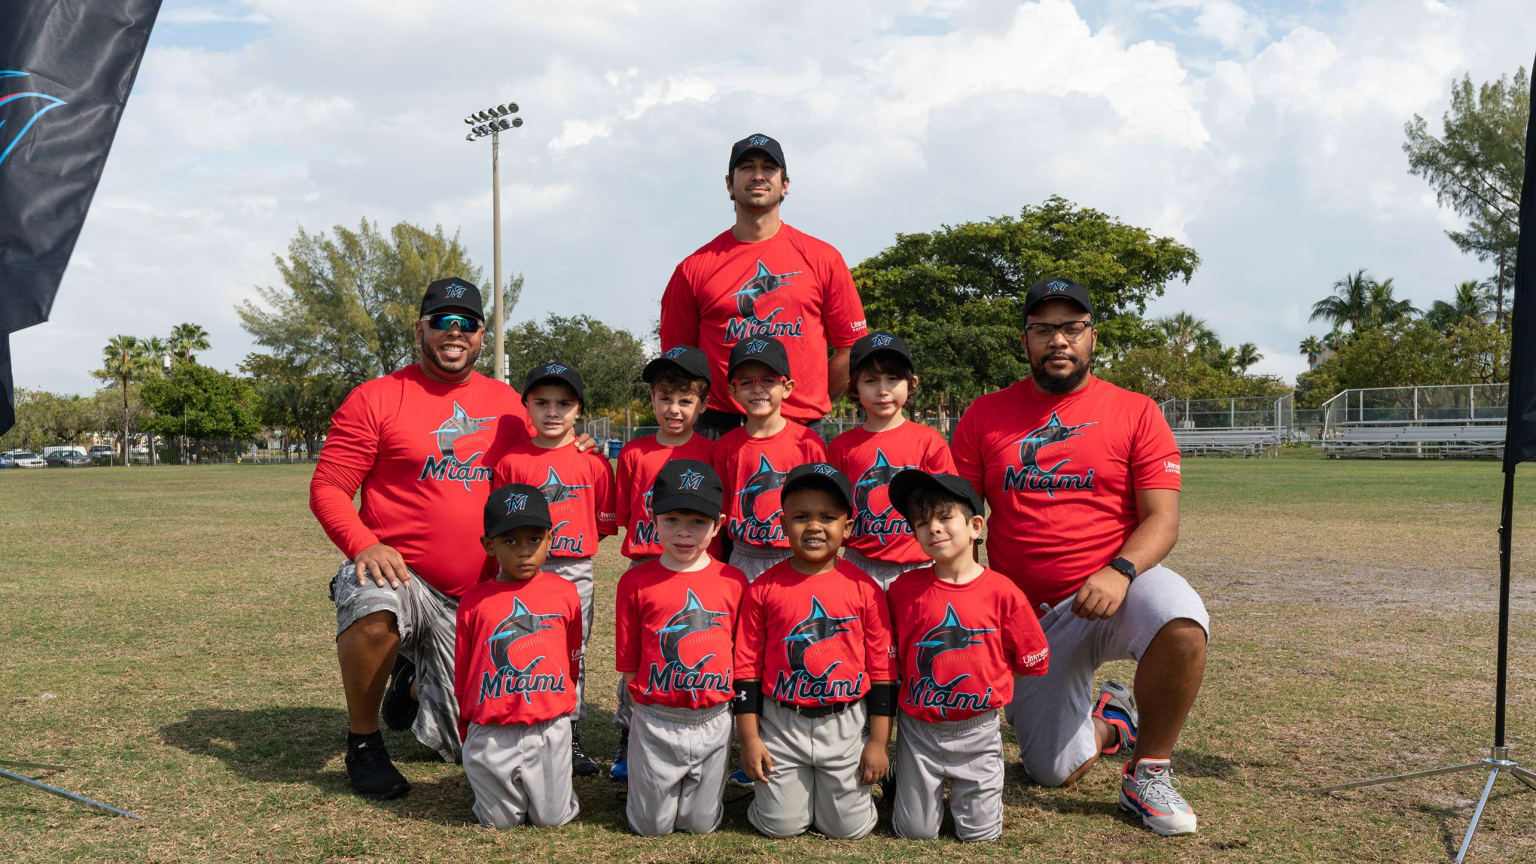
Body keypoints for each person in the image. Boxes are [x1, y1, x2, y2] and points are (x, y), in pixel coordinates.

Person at [950, 276, 1208, 837]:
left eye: (1072, 327)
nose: (1059, 340)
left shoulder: (1136, 411)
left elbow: (1162, 520)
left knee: (1182, 619)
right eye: (1044, 329)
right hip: (1031, 617)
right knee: (1051, 771)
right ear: (1026, 340)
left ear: (1092, 337)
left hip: (1115, 588)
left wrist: (1119, 570)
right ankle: (1114, 721)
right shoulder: (984, 416)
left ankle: (1150, 772)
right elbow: (961, 519)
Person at [311, 277, 532, 800]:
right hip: (402, 575)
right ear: (420, 330)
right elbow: (329, 487)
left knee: (465, 742)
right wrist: (363, 544)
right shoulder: (378, 398)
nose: (455, 333)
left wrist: (577, 443)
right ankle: (364, 743)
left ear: (482, 334)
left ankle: (410, 682)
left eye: (468, 324)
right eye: (443, 323)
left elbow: (540, 468)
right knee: (372, 600)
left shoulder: (508, 406)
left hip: (475, 594)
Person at [659, 133, 867, 439]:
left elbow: (852, 348)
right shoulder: (693, 269)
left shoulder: (824, 258)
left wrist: (813, 397)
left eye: (768, 167)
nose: (758, 175)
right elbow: (679, 362)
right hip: (719, 428)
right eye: (747, 167)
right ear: (729, 184)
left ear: (785, 184)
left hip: (801, 427)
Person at [884, 469, 1049, 842]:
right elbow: (889, 652)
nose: (934, 529)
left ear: (975, 526)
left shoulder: (1002, 592)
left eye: (945, 517)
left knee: (980, 835)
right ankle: (903, 775)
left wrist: (990, 684)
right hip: (918, 729)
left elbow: (1029, 657)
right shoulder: (903, 589)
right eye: (922, 522)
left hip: (977, 728)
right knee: (916, 832)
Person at [732, 463, 895, 840]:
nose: (815, 526)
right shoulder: (763, 588)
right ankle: (787, 799)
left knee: (847, 830)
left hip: (844, 722)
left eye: (828, 517)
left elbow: (883, 673)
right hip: (780, 721)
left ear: (848, 528)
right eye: (801, 516)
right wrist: (750, 739)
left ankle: (842, 797)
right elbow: (746, 669)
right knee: (779, 826)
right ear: (783, 523)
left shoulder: (866, 589)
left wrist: (876, 742)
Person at [492, 361, 616, 776]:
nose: (552, 412)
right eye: (541, 402)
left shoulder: (594, 463)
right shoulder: (511, 462)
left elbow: (602, 516)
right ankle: (519, 724)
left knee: (570, 652)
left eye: (564, 403)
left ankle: (570, 733)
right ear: (526, 405)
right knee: (522, 646)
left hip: (573, 567)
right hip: (520, 570)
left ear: (579, 410)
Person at [614, 459, 749, 835]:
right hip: (658, 716)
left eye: (698, 522)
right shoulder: (636, 582)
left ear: (719, 524)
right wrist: (643, 708)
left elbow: (740, 652)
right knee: (650, 827)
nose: (684, 533)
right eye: (671, 519)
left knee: (700, 824)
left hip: (713, 717)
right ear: (652, 517)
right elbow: (628, 659)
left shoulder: (733, 580)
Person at [609, 344, 717, 781]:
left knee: (695, 650)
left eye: (685, 400)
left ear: (703, 403)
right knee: (638, 655)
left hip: (696, 568)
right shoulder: (634, 453)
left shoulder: (713, 452)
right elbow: (625, 514)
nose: (674, 409)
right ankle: (628, 735)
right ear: (651, 399)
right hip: (646, 567)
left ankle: (706, 732)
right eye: (665, 398)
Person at [455, 483, 582, 829]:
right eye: (510, 541)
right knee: (499, 823)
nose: (524, 552)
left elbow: (572, 658)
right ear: (489, 545)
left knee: (552, 821)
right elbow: (464, 674)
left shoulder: (565, 593)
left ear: (550, 538)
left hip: (547, 727)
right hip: (493, 730)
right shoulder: (474, 601)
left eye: (534, 539)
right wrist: (467, 724)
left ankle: (554, 790)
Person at [829, 331, 956, 589]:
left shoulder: (929, 441)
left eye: (892, 378)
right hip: (859, 564)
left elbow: (949, 506)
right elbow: (832, 509)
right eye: (871, 380)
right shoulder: (842, 447)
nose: (883, 390)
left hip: (920, 562)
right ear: (854, 387)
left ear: (912, 383)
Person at [713, 336, 827, 581]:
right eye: (746, 382)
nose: (757, 389)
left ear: (787, 388)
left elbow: (821, 506)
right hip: (744, 555)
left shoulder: (808, 443)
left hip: (796, 552)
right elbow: (721, 511)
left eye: (768, 380)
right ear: (732, 390)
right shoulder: (726, 446)